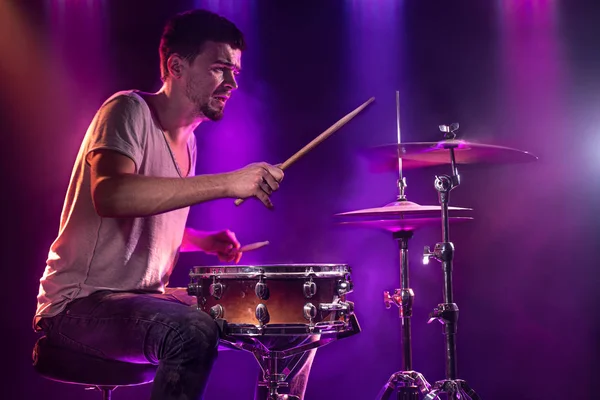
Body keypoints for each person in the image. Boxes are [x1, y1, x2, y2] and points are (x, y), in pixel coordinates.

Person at [33, 9, 316, 400]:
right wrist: (229, 182)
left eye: (235, 71)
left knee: (294, 315)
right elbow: (112, 195)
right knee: (193, 329)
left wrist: (201, 241)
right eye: (220, 68)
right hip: (77, 307)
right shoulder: (127, 110)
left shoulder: (189, 143)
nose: (232, 82)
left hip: (144, 298)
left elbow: (137, 227)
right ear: (176, 66)